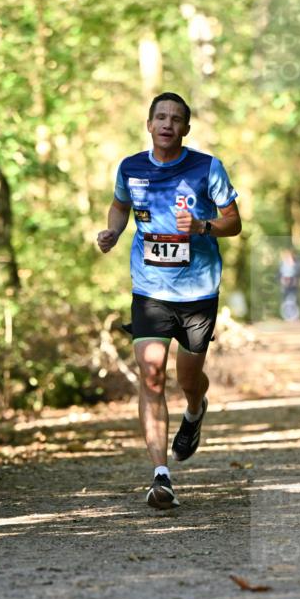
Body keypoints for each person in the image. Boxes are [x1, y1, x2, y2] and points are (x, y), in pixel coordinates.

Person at [97, 92, 242, 509]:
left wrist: (203, 225)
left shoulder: (206, 167)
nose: (167, 124)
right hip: (150, 290)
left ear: (185, 129)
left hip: (198, 290)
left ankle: (195, 410)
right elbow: (118, 206)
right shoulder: (130, 168)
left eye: (176, 119)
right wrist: (113, 231)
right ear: (149, 124)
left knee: (188, 379)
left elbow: (233, 222)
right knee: (152, 376)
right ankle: (161, 475)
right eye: (160, 117)